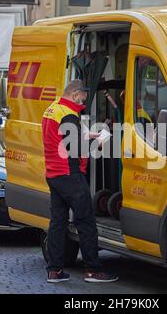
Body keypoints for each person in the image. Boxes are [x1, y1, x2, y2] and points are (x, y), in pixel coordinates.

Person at [42, 79, 119, 284]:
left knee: (57, 223)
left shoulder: (53, 109)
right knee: (85, 221)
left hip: (54, 174)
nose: (83, 102)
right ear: (75, 94)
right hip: (70, 174)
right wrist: (100, 140)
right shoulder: (68, 113)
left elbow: (65, 136)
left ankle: (54, 270)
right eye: (83, 98)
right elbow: (75, 148)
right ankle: (93, 270)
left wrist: (88, 134)